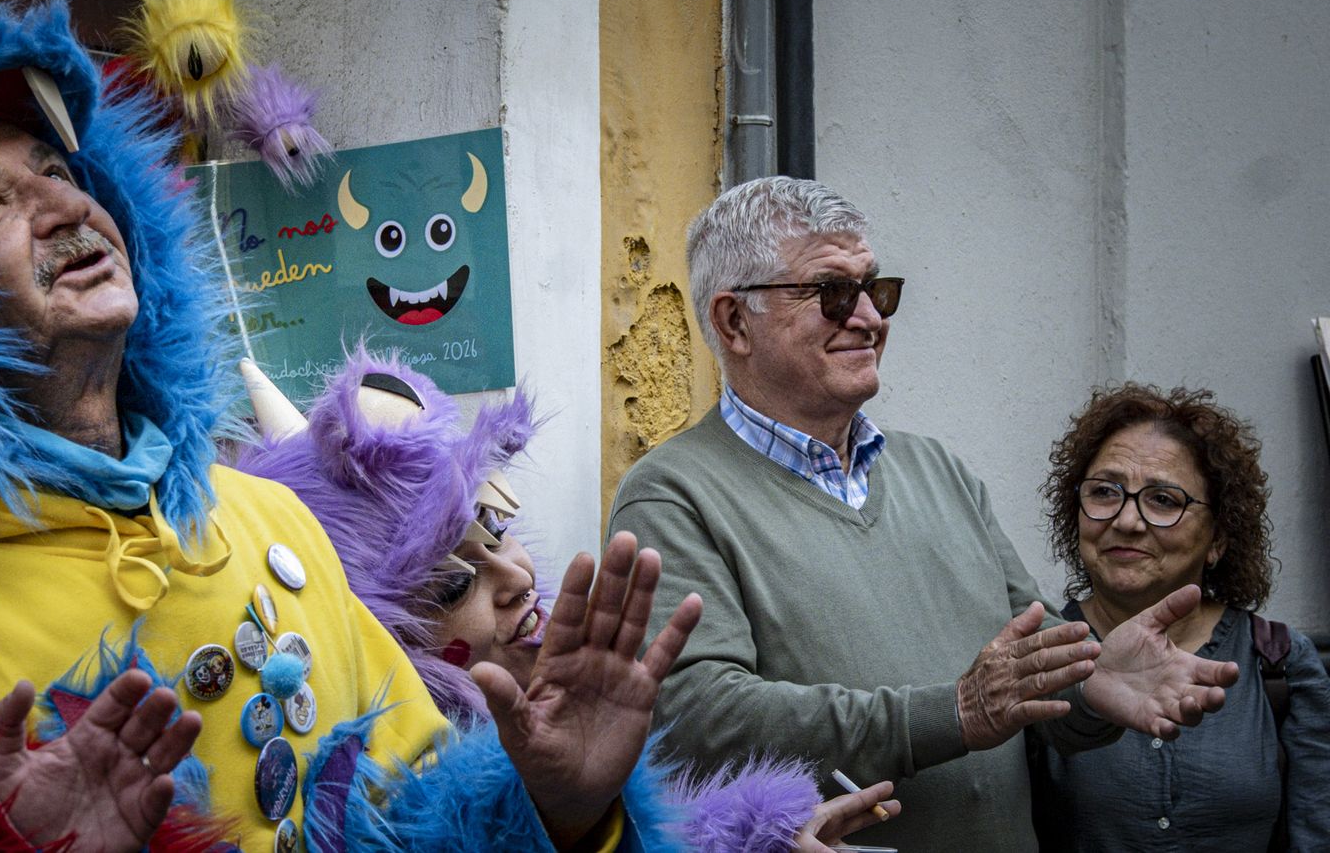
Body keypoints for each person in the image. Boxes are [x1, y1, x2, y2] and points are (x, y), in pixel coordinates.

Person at [0, 0, 697, 851]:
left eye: (61, 171)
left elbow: (421, 821)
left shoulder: (268, 523)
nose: (66, 205)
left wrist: (558, 812)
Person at [606, 176, 1242, 852]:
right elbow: (702, 718)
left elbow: (1030, 673)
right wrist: (949, 715)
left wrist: (1095, 688)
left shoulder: (937, 470)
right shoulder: (674, 493)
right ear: (736, 321)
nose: (871, 319)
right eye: (832, 294)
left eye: (876, 290)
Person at [233, 349, 902, 852]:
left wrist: (764, 839)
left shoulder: (551, 708)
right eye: (455, 583)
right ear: (376, 635)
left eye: (497, 531)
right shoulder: (367, 801)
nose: (518, 575)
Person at [1029, 384, 1330, 850]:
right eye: (1105, 492)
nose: (1127, 521)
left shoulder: (1280, 663)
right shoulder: (1041, 654)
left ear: (1218, 540)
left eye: (1164, 500)